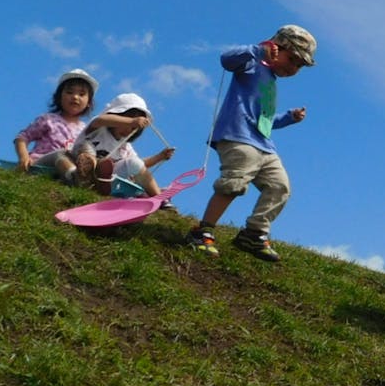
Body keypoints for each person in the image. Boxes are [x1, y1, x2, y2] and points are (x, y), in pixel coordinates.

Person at [185, 24, 317, 262]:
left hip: (264, 145)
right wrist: (258, 50)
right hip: (237, 137)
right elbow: (227, 59)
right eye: (292, 59)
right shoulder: (252, 63)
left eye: (299, 66)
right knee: (234, 184)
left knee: (280, 187)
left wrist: (288, 118)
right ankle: (203, 230)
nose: (294, 68)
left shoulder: (271, 82)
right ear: (276, 47)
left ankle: (254, 233)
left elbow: (264, 121)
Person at [71, 93, 177, 208]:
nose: (129, 129)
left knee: (134, 163)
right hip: (83, 170)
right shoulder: (99, 129)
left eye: (133, 128)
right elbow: (100, 119)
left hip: (108, 180)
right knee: (86, 147)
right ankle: (89, 173)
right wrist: (130, 121)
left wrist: (159, 157)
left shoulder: (125, 146)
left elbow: (140, 166)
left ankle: (160, 200)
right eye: (125, 121)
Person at [13, 69, 99, 184]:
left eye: (82, 94)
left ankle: (87, 177)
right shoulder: (48, 119)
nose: (75, 97)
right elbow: (22, 138)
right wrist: (24, 157)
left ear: (89, 102)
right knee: (60, 154)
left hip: (67, 166)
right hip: (42, 164)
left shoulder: (85, 129)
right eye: (69, 92)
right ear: (59, 97)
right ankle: (74, 178)